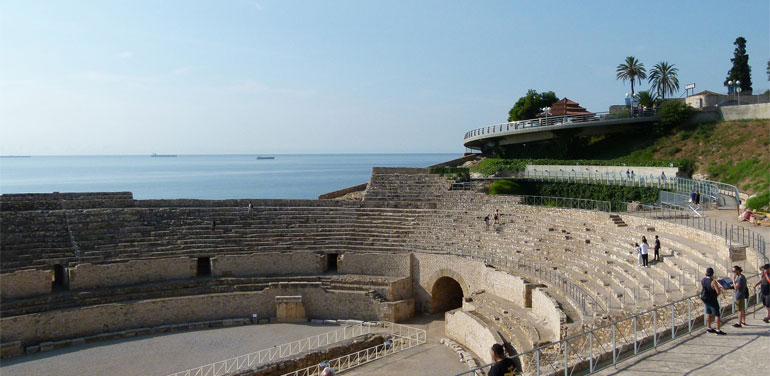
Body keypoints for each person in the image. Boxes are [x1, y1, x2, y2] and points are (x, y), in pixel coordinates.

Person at [701, 267, 726, 335]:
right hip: (712, 299)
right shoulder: (713, 281)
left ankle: (709, 328)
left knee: (708, 312)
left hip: (706, 299)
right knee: (717, 314)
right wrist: (720, 289)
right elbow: (718, 292)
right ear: (712, 273)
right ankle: (718, 330)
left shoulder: (703, 280)